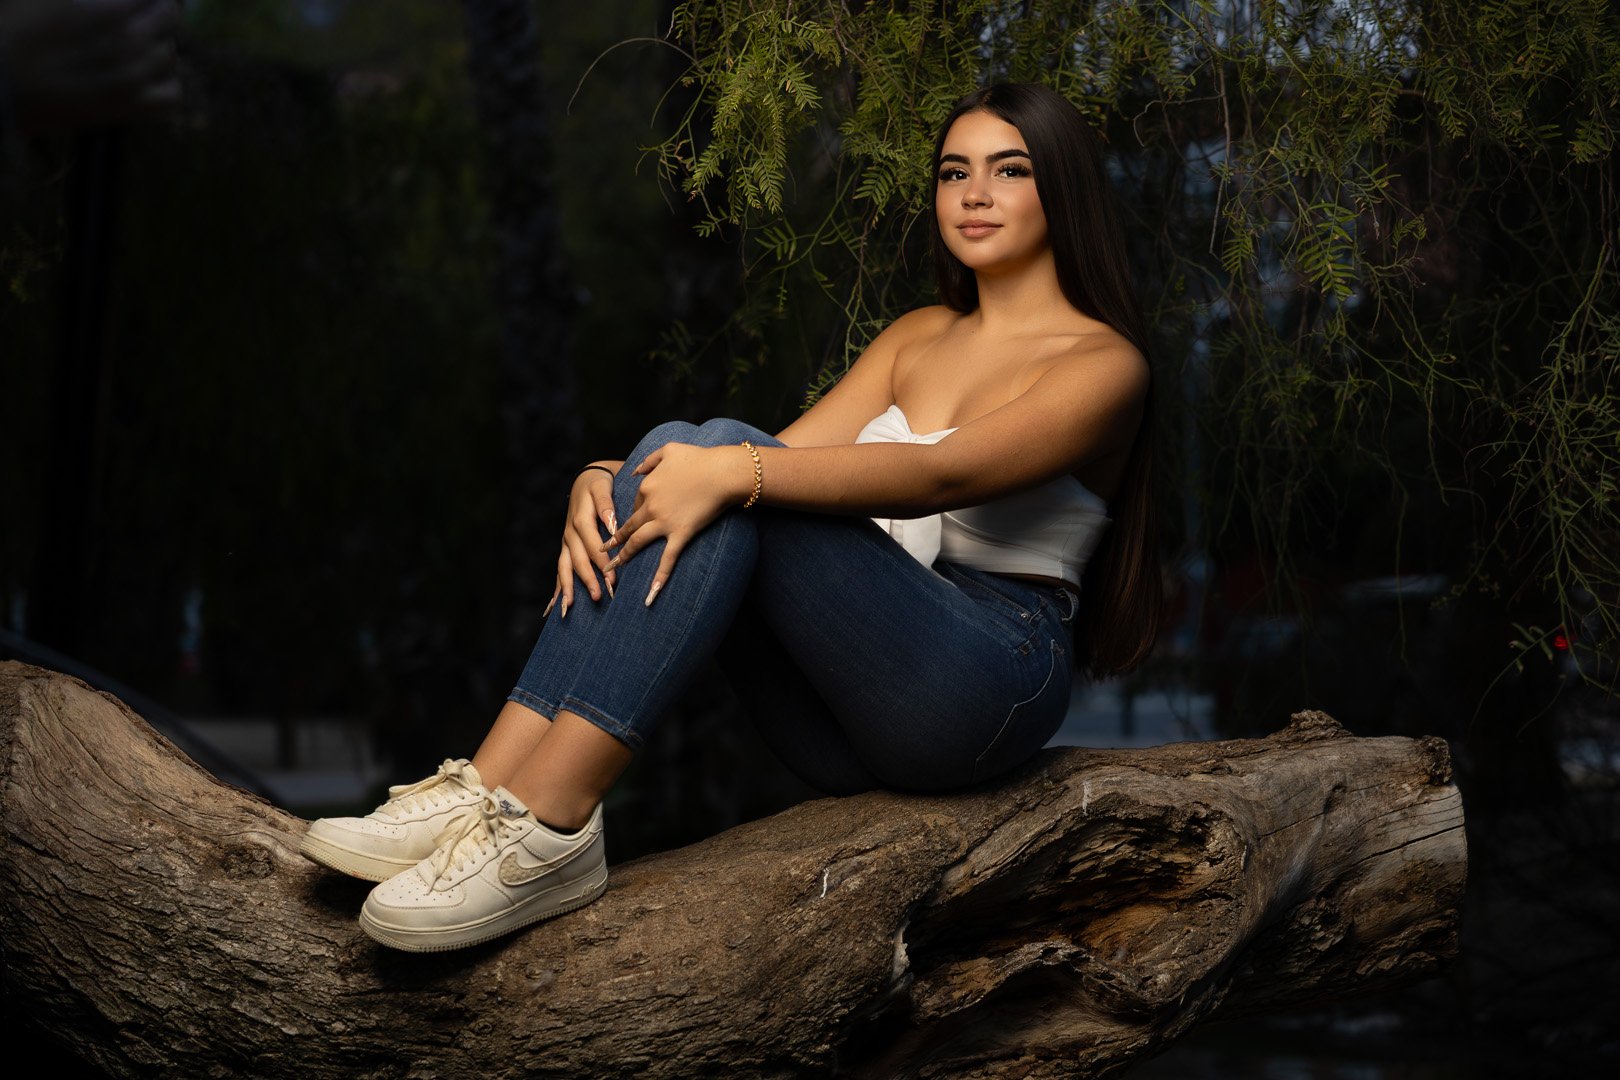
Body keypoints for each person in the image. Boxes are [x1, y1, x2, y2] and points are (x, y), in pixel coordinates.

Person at [301, 82, 1161, 953]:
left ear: (1062, 186)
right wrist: (607, 476)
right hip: (843, 715)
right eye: (952, 172)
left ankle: (549, 828)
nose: (973, 194)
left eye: (1008, 170)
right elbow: (763, 470)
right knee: (701, 454)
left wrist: (694, 467)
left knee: (719, 458)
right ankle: (485, 791)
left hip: (985, 682)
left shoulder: (1104, 363)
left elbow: (936, 473)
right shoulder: (916, 335)